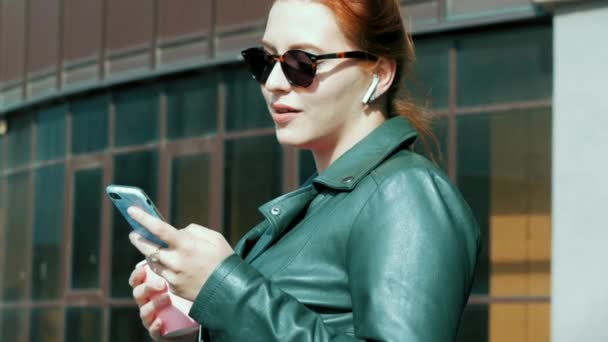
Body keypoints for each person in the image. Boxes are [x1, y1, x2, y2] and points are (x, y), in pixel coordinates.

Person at [128, 0, 480, 341]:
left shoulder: (403, 192)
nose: (275, 82)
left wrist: (223, 287)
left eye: (302, 62)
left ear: (381, 73)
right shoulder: (326, 203)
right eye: (265, 61)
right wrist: (201, 327)